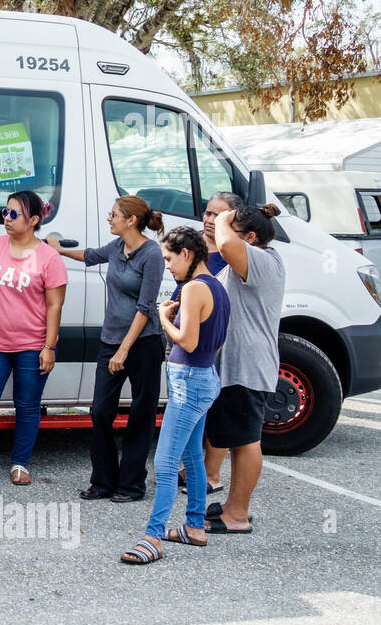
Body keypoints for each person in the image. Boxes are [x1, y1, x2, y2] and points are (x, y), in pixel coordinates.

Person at [120, 226, 230, 565]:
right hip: (202, 378)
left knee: (165, 463)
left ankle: (153, 537)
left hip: (191, 384)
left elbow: (189, 341)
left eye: (169, 258)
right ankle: (194, 526)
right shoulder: (216, 287)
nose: (167, 265)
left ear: (186, 253)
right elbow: (215, 342)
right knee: (193, 457)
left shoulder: (195, 288)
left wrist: (163, 317)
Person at [48, 195, 165, 503]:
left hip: (143, 344)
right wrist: (58, 250)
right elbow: (89, 255)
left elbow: (145, 307)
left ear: (131, 220)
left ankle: (130, 485)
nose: (109, 218)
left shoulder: (151, 254)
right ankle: (102, 482)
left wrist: (124, 350)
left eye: (114, 215)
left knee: (141, 414)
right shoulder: (116, 247)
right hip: (110, 340)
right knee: (100, 411)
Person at [0, 191, 68, 486]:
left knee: (28, 405)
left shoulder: (49, 258)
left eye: (13, 214)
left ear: (33, 220)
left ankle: (20, 463)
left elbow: (55, 305)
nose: (6, 219)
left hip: (33, 345)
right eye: (5, 212)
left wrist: (49, 346)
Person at [204, 204, 286, 536]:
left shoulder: (264, 261)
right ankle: (232, 508)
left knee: (247, 441)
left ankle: (237, 515)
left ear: (250, 238)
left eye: (229, 226)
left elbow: (224, 245)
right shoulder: (250, 262)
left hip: (247, 366)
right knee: (238, 440)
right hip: (236, 366)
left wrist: (224, 217)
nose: (215, 225)